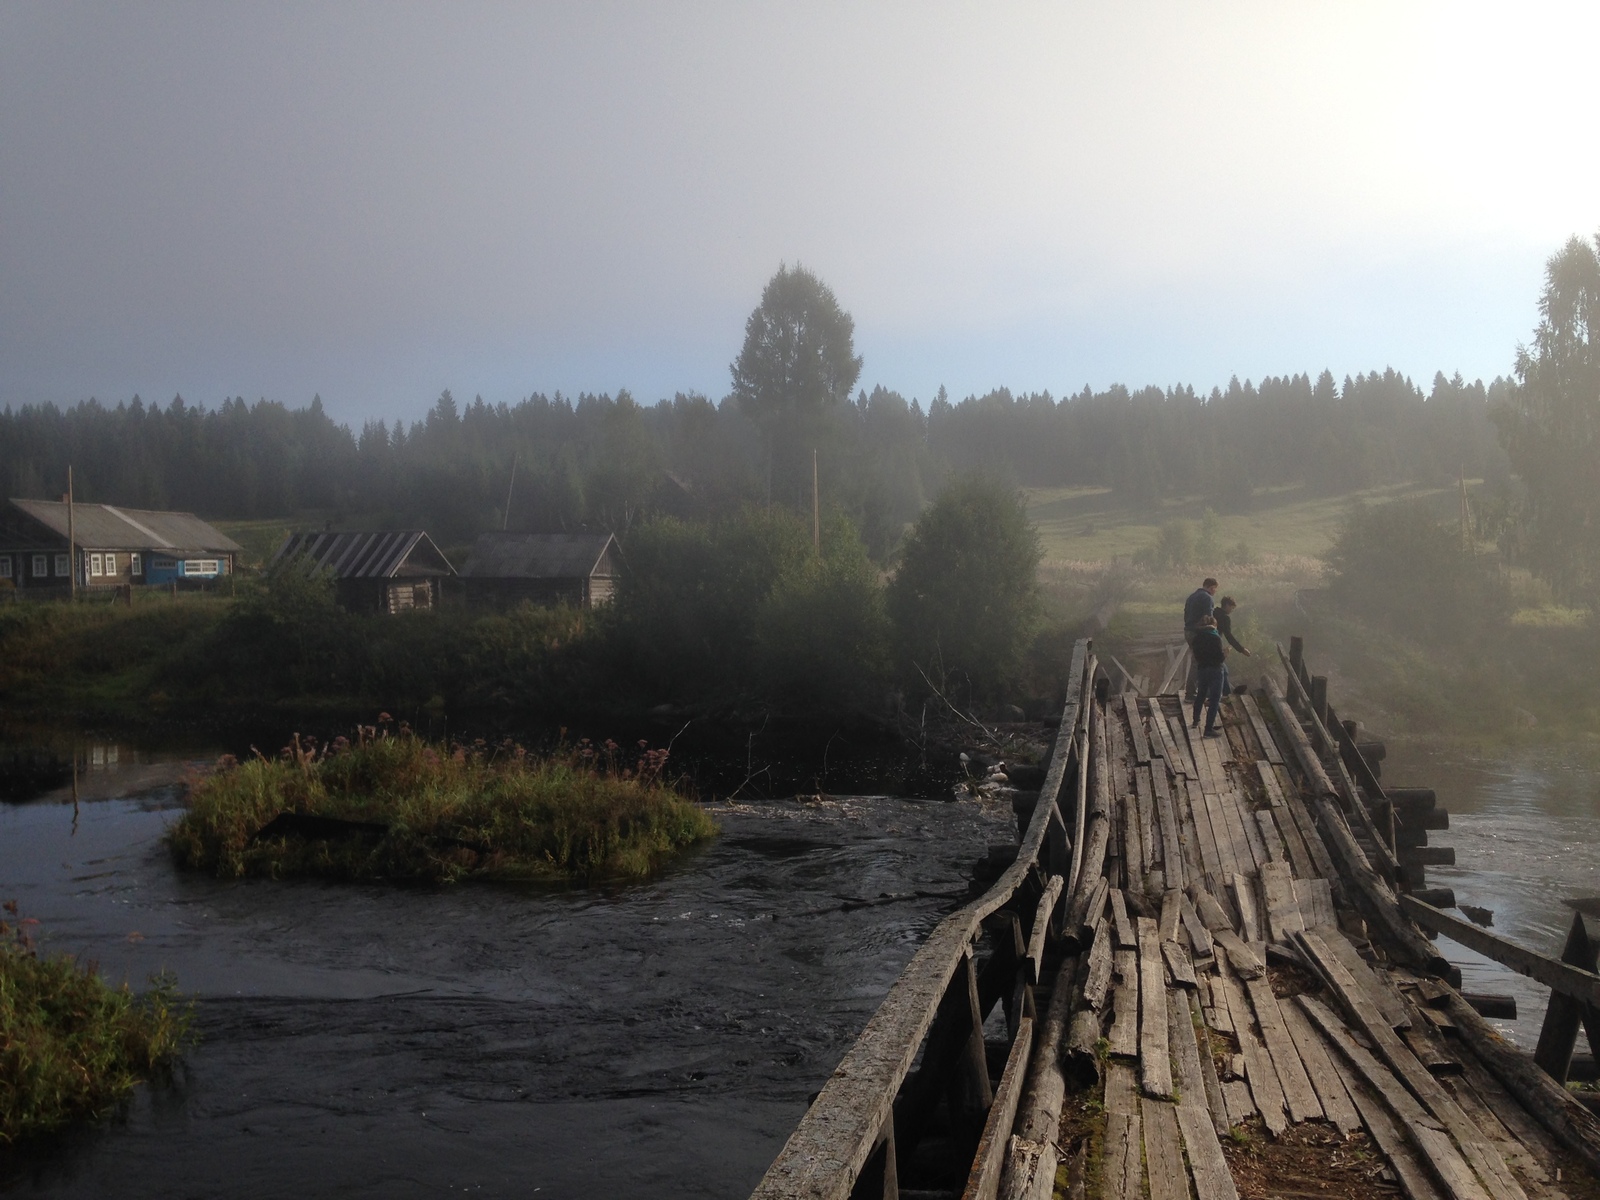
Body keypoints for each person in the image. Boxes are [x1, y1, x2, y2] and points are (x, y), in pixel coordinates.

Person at [1189, 614, 1227, 737]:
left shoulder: (1196, 638)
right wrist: (1225, 653)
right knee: (1215, 699)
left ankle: (1195, 721)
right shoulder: (1216, 638)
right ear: (1214, 625)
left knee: (1201, 694)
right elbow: (1219, 658)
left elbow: (1197, 656)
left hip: (1202, 669)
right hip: (1215, 670)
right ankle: (1208, 729)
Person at [1182, 578, 1219, 699]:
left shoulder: (1191, 597)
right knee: (1198, 662)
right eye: (1215, 589)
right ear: (1211, 587)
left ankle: (1197, 689)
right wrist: (1212, 632)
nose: (1215, 592)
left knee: (1198, 660)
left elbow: (1186, 614)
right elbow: (1208, 618)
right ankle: (1191, 692)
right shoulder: (1207, 598)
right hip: (1199, 633)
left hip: (1188, 631)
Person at [1214, 596, 1252, 660]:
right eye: (1232, 608)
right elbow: (1229, 636)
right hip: (1215, 643)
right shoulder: (1225, 618)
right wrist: (1242, 649)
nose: (1232, 610)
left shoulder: (1213, 612)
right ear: (1227, 605)